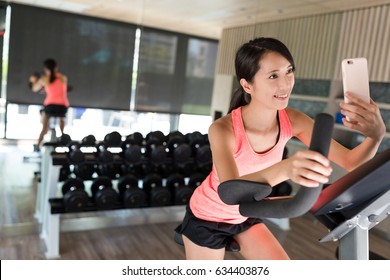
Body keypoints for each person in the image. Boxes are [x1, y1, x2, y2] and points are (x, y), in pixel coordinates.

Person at [175, 37, 386, 260]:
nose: (285, 84)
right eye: (273, 75)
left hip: (245, 216)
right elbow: (230, 192)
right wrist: (287, 169)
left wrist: (376, 135)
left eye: (289, 71)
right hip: (208, 216)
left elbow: (352, 162)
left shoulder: (292, 120)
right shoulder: (222, 129)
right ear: (248, 85)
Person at [29, 58, 69, 151]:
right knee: (61, 119)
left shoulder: (44, 79)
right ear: (56, 67)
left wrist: (33, 80)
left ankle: (38, 145)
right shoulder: (63, 78)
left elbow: (34, 89)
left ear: (46, 69)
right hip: (62, 107)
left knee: (44, 127)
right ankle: (63, 138)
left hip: (50, 106)